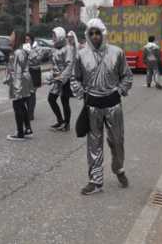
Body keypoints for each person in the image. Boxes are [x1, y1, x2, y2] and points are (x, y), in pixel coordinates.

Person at [71, 19, 133, 195]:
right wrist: (81, 93)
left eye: (97, 32)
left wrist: (119, 91)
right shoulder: (81, 55)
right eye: (91, 33)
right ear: (87, 35)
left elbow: (127, 76)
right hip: (92, 107)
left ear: (103, 33)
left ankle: (119, 169)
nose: (95, 36)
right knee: (94, 144)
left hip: (113, 105)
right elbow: (76, 78)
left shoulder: (117, 53)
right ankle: (95, 181)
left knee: (117, 141)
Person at [4, 31, 32, 141]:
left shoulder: (18, 52)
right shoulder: (19, 51)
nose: (9, 37)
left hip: (19, 81)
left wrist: (16, 87)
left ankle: (20, 133)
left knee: (17, 106)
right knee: (22, 105)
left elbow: (17, 71)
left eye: (12, 35)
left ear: (17, 38)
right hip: (22, 80)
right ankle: (27, 129)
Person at [47, 27, 74, 132]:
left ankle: (66, 124)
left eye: (54, 35)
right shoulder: (54, 49)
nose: (53, 38)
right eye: (52, 35)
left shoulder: (68, 49)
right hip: (57, 79)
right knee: (51, 99)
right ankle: (60, 120)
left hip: (65, 80)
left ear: (60, 36)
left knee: (64, 101)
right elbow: (53, 65)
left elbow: (69, 65)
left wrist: (62, 77)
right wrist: (51, 76)